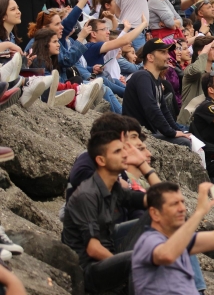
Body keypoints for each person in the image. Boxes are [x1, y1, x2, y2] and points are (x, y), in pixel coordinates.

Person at [62, 123, 160, 293]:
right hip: (90, 270)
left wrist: (143, 165)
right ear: (101, 160)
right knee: (138, 261)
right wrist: (121, 265)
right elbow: (93, 248)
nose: (124, 155)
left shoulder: (114, 189)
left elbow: (164, 200)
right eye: (117, 152)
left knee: (163, 215)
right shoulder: (87, 194)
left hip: (111, 256)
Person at [131, 181, 214, 295]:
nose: (182, 208)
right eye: (174, 204)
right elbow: (167, 255)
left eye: (182, 202)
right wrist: (199, 212)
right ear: (155, 213)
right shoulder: (147, 241)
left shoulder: (180, 241)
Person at [122, 39, 191, 149]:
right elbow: (151, 107)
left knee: (189, 134)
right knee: (184, 142)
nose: (168, 57)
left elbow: (164, 110)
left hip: (150, 133)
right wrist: (171, 133)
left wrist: (178, 131)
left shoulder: (156, 80)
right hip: (138, 136)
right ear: (150, 57)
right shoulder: (142, 76)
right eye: (163, 53)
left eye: (167, 53)